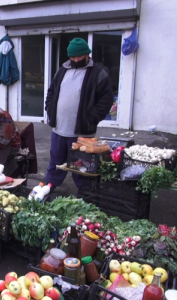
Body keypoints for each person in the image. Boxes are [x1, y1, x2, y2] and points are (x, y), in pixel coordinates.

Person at [44, 38, 113, 191]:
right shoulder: (62, 70)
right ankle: (47, 189)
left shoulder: (98, 73)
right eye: (72, 57)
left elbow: (106, 100)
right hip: (59, 130)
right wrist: (50, 110)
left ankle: (86, 196)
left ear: (87, 54)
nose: (75, 60)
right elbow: (51, 93)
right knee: (55, 164)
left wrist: (91, 118)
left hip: (82, 133)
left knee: (82, 168)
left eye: (79, 57)